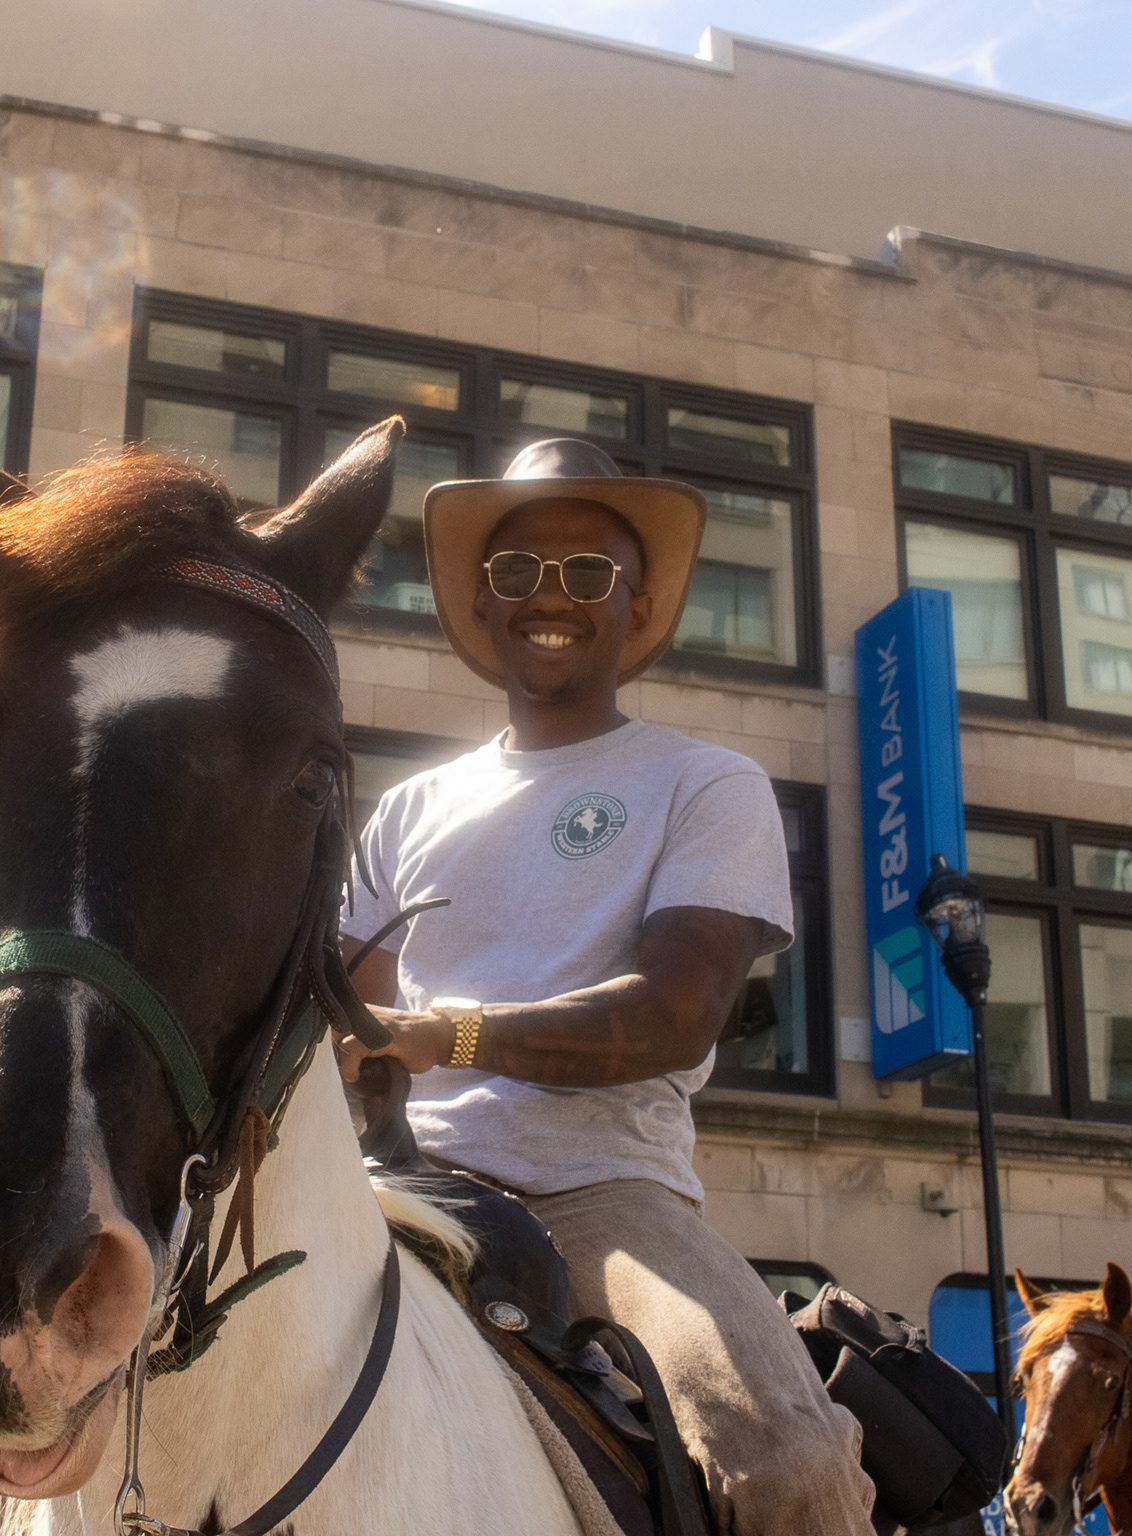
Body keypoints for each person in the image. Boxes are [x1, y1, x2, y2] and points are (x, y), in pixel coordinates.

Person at [336, 438, 876, 1536]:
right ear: (483, 606)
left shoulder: (704, 783)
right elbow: (340, 1019)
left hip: (602, 1200)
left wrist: (449, 1037)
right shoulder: (406, 810)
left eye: (589, 575)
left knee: (790, 1466)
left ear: (636, 609)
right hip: (391, 1187)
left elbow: (678, 1014)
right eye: (520, 572)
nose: (551, 597)